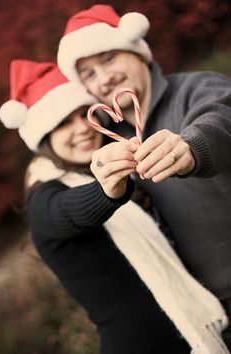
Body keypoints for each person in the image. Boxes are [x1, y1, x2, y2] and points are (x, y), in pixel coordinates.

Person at [0, 59, 231, 354]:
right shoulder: (43, 196)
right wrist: (105, 191)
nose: (82, 128)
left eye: (85, 114)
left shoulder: (124, 160)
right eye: (63, 123)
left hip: (198, 334)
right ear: (44, 137)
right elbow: (70, 211)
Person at [56, 3, 231, 349]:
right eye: (88, 73)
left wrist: (192, 148)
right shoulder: (111, 140)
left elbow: (221, 120)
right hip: (206, 318)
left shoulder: (196, 88)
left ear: (137, 52)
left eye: (108, 58)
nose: (104, 78)